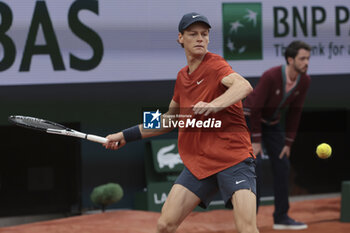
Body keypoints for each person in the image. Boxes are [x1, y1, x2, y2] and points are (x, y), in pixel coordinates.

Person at [104, 12, 259, 233]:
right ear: (180, 38)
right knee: (165, 225)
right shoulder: (181, 77)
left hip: (233, 159)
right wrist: (125, 135)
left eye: (204, 34)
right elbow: (168, 119)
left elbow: (243, 86)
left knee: (247, 229)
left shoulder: (216, 65)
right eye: (193, 34)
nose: (200, 39)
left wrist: (214, 104)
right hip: (200, 164)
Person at [244, 40, 311, 230]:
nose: (306, 62)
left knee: (282, 164)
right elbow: (255, 109)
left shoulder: (305, 80)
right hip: (250, 119)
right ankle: (249, 222)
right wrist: (256, 141)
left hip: (272, 124)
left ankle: (281, 216)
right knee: (254, 169)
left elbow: (295, 111)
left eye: (308, 59)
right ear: (290, 59)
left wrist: (288, 143)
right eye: (302, 58)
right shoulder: (271, 76)